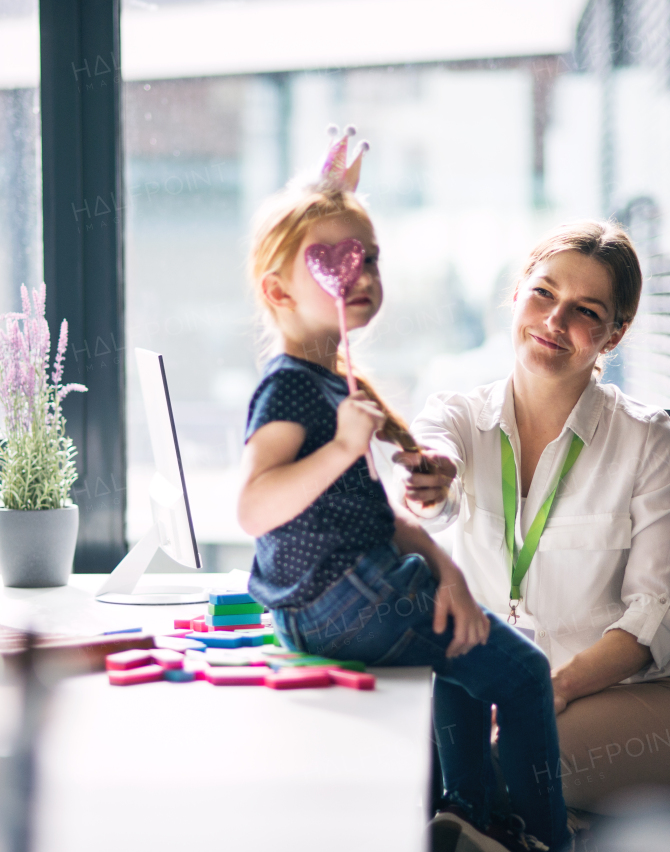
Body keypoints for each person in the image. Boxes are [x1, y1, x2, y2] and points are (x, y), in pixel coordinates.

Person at [237, 128, 570, 851]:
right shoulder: (290, 390)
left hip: (330, 600)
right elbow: (254, 505)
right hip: (342, 600)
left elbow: (370, 516)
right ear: (277, 291)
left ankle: (467, 823)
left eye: (370, 258)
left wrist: (446, 572)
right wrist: (343, 450)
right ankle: (541, 841)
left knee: (454, 668)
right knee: (524, 676)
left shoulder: (327, 380)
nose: (359, 274)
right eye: (332, 260)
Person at [395, 221, 670, 819]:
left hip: (656, 702)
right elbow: (433, 479)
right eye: (544, 293)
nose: (554, 322)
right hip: (507, 699)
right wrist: (433, 481)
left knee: (494, 764)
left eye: (585, 311)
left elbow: (657, 616)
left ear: (614, 334)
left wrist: (548, 689)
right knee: (425, 761)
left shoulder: (648, 441)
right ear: (518, 292)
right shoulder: (455, 417)